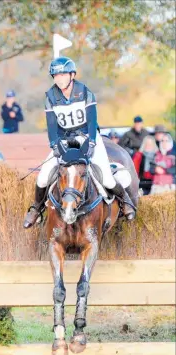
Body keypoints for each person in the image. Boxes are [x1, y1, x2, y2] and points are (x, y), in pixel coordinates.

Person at [23, 57, 136, 228]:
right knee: (43, 177)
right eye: (56, 75)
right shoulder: (50, 97)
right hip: (64, 139)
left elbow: (92, 121)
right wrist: (54, 145)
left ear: (72, 75)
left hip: (88, 136)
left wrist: (91, 143)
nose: (59, 78)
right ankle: (36, 209)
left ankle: (126, 200)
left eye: (62, 74)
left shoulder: (85, 92)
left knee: (106, 178)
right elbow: (52, 125)